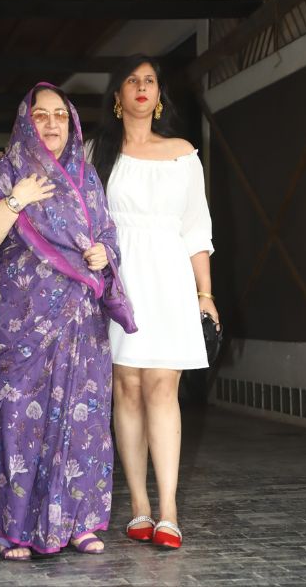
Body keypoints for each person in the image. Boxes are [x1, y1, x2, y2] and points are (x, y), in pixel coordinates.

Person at [0, 83, 124, 560]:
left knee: (82, 421)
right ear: (26, 122)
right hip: (20, 327)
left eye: (60, 115)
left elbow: (108, 235)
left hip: (80, 325)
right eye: (40, 115)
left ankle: (78, 522)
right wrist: (15, 200)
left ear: (72, 124)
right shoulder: (3, 172)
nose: (51, 124)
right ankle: (14, 529)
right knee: (18, 422)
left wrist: (103, 253)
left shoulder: (86, 177)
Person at [88, 55, 219, 549]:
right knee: (126, 389)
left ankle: (168, 512)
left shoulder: (183, 154)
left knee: (162, 387)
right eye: (132, 80)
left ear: (159, 95)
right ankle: (139, 507)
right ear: (117, 96)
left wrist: (205, 294)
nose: (141, 87)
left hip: (169, 281)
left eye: (150, 80)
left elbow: (196, 230)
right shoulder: (96, 152)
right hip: (117, 280)